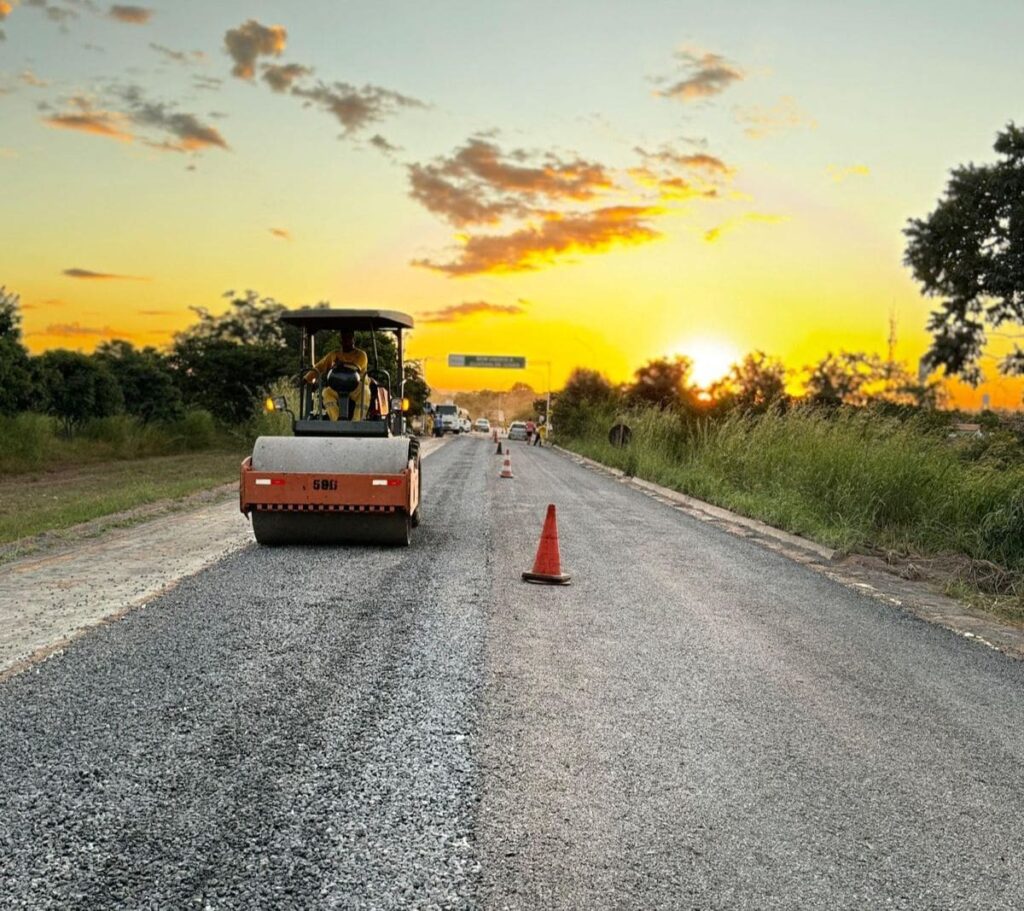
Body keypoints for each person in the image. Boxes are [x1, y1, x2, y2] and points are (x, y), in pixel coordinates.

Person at [304, 329, 370, 421]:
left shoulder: (361, 355)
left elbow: (355, 368)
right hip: (337, 387)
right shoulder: (334, 354)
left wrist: (340, 364)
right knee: (326, 393)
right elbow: (319, 366)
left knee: (366, 392)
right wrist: (306, 378)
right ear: (341, 340)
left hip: (357, 387)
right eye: (344, 338)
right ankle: (336, 421)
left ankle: (357, 421)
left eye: (348, 338)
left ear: (353, 339)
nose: (346, 341)